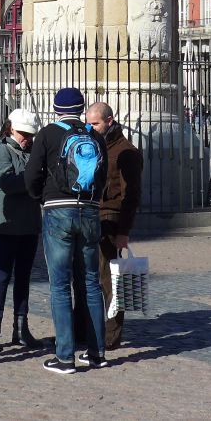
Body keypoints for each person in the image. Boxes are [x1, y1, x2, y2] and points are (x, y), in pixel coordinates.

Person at [26, 87, 109, 375]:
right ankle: (97, 352)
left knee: (60, 284)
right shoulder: (94, 135)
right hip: (89, 210)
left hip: (58, 209)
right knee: (90, 281)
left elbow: (31, 175)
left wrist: (42, 198)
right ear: (82, 108)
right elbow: (104, 174)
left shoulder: (48, 133)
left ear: (56, 108)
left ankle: (64, 356)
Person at [0, 108, 43, 355]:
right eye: (22, 133)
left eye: (30, 135)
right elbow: (8, 184)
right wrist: (33, 181)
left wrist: (32, 182)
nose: (26, 138)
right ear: (11, 128)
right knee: (2, 277)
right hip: (5, 224)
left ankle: (21, 327)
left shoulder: (32, 152)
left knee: (23, 278)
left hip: (29, 224)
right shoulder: (1, 150)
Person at [87, 101, 142, 351]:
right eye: (88, 122)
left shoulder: (125, 151)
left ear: (109, 121)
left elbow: (132, 196)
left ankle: (111, 336)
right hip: (89, 219)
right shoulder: (91, 145)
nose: (90, 127)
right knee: (87, 279)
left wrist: (123, 232)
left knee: (111, 281)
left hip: (110, 221)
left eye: (95, 123)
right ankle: (85, 330)